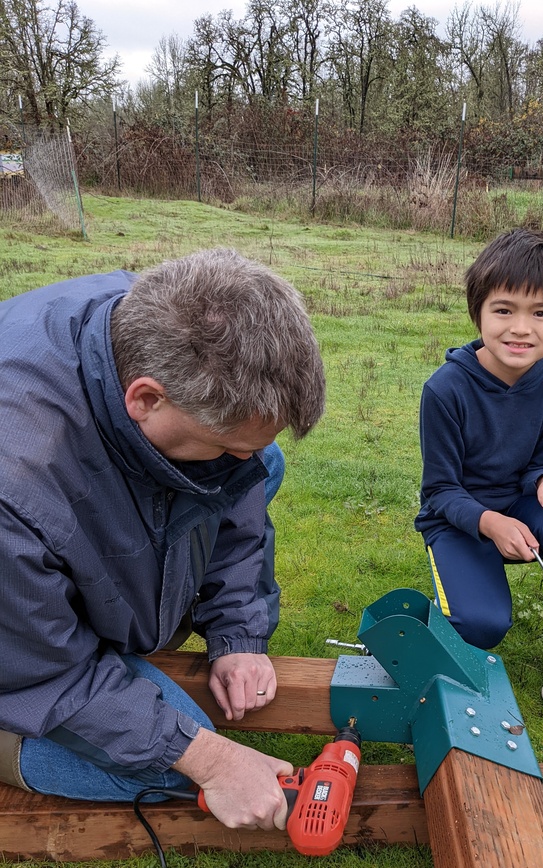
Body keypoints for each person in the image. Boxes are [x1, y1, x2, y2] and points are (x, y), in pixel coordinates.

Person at [0, 247, 325, 828]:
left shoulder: (151, 320)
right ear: (145, 399)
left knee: (258, 464)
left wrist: (237, 631)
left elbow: (236, 491)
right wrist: (210, 758)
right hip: (18, 654)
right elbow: (46, 672)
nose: (238, 459)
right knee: (162, 755)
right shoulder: (16, 483)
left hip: (35, 586)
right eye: (226, 444)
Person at [415, 228, 543, 711]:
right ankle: (437, 619)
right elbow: (439, 490)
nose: (521, 328)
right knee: (481, 626)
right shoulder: (445, 390)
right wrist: (490, 524)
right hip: (458, 519)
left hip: (521, 502)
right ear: (478, 312)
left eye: (540, 313)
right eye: (504, 310)